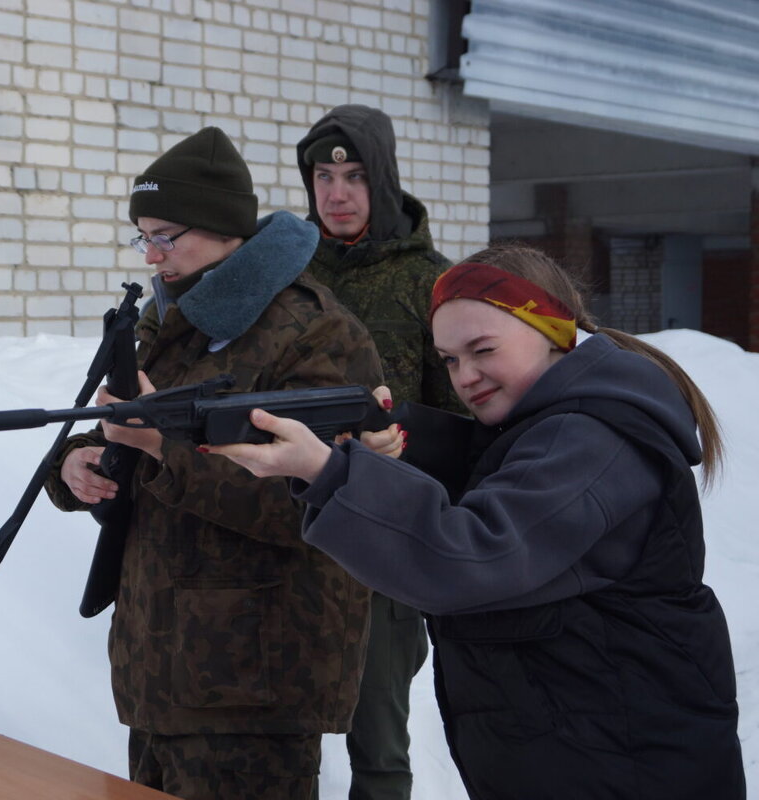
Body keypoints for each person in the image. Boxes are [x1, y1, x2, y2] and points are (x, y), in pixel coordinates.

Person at [206, 245, 745, 799]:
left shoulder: (593, 439)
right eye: (449, 359)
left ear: (555, 329)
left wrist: (331, 474)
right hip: (585, 757)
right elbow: (498, 469)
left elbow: (470, 556)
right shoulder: (555, 426)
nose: (466, 375)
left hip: (628, 770)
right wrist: (398, 437)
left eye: (482, 349)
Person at [44, 127, 387, 800]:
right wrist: (77, 464)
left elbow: (309, 502)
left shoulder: (316, 334)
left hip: (255, 679)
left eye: (166, 235)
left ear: (226, 228)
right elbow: (116, 424)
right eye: (142, 236)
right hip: (163, 666)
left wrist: (158, 450)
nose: (151, 253)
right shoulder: (166, 320)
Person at [296, 103, 466, 800]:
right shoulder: (282, 274)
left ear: (384, 180)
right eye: (323, 175)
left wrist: (404, 444)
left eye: (356, 175)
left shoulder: (433, 282)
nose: (336, 193)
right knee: (283, 736)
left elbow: (466, 426)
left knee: (380, 752)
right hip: (287, 541)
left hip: (383, 547)